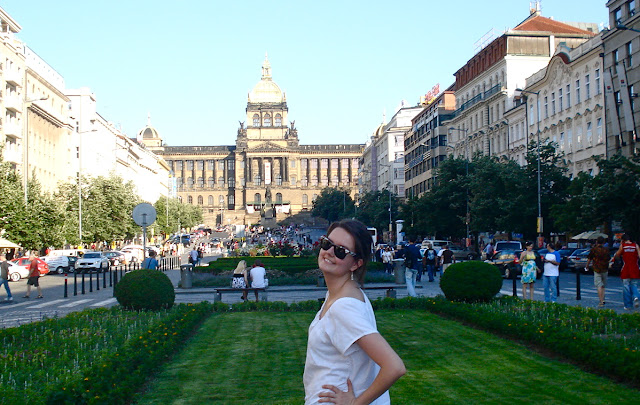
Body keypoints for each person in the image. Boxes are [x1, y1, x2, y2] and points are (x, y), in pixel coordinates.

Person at [303, 219, 406, 404]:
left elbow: (394, 366)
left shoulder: (344, 307)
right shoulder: (340, 294)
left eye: (341, 251)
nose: (329, 252)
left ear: (356, 264)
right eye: (327, 243)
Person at [612, 233, 640, 310]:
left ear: (623, 240)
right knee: (634, 285)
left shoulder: (623, 246)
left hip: (626, 268)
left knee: (626, 287)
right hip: (635, 268)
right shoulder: (636, 246)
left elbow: (617, 255)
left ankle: (628, 305)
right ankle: (636, 296)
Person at [587, 236, 611, 308]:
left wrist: (587, 266)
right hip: (605, 268)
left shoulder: (594, 249)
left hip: (597, 268)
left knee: (599, 285)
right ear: (603, 242)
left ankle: (601, 301)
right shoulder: (606, 250)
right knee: (603, 285)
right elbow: (608, 258)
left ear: (597, 241)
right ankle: (603, 298)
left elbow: (589, 258)